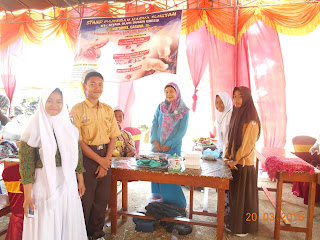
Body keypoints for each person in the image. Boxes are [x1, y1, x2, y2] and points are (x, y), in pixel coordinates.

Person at [19, 88, 87, 240]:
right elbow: (26, 167)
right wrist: (27, 197)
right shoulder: (32, 130)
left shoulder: (70, 129)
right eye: (49, 100)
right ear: (42, 102)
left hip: (67, 182)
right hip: (43, 183)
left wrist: (80, 181)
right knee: (46, 220)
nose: (54, 105)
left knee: (66, 217)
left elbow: (77, 158)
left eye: (58, 101)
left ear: (64, 104)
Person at [71, 71, 120, 240]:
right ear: (84, 86)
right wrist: (100, 161)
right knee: (86, 199)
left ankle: (96, 233)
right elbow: (79, 142)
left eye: (100, 84)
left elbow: (113, 135)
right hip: (86, 158)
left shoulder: (107, 109)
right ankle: (81, 234)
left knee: (101, 200)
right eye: (92, 84)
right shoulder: (77, 109)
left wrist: (106, 161)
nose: (97, 87)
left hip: (105, 154)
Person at [224, 86, 260, 237]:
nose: (237, 100)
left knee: (243, 197)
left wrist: (236, 159)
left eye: (240, 96)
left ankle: (244, 227)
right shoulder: (236, 113)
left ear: (247, 98)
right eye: (235, 96)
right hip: (235, 162)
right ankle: (234, 223)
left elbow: (247, 145)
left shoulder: (251, 119)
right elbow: (230, 138)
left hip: (244, 164)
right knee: (235, 195)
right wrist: (227, 155)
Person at [150, 82, 189, 208]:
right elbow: (155, 123)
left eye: (171, 91)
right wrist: (154, 140)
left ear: (177, 92)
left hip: (172, 149)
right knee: (155, 176)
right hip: (157, 149)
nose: (169, 94)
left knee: (170, 178)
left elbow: (182, 131)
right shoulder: (160, 107)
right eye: (166, 91)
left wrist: (169, 144)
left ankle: (176, 205)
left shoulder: (183, 110)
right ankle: (157, 203)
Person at [214, 92, 233, 157]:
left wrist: (226, 152)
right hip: (223, 151)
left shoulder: (230, 115)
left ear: (226, 102)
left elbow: (228, 136)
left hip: (229, 152)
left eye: (222, 102)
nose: (219, 105)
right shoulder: (219, 114)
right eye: (217, 102)